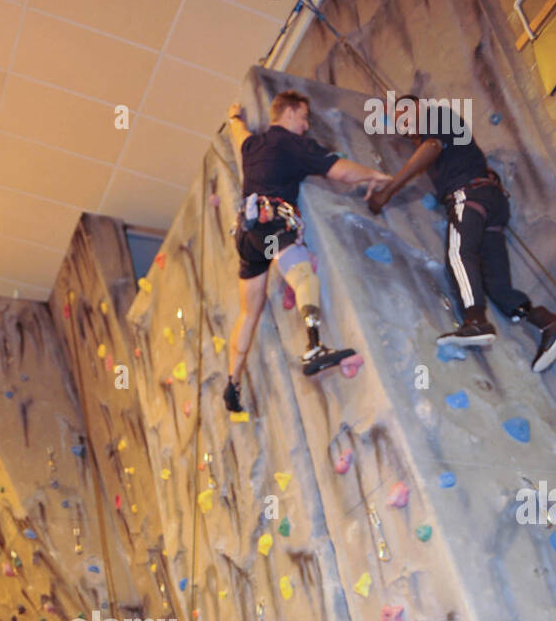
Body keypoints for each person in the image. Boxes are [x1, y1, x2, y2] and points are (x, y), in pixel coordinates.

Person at [224, 89, 391, 412]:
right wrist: (375, 175)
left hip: (248, 234)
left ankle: (232, 384)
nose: (305, 125)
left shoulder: (253, 145)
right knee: (304, 278)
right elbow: (340, 171)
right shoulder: (292, 144)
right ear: (287, 113)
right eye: (303, 117)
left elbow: (237, 131)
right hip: (272, 223)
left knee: (249, 312)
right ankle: (314, 347)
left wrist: (233, 116)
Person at [368, 95, 556, 371]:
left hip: (468, 195)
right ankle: (547, 323)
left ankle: (475, 321)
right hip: (491, 203)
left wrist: (388, 190)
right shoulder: (448, 130)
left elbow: (432, 146)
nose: (403, 127)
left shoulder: (435, 117)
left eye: (403, 118)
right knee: (497, 284)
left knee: (458, 253)